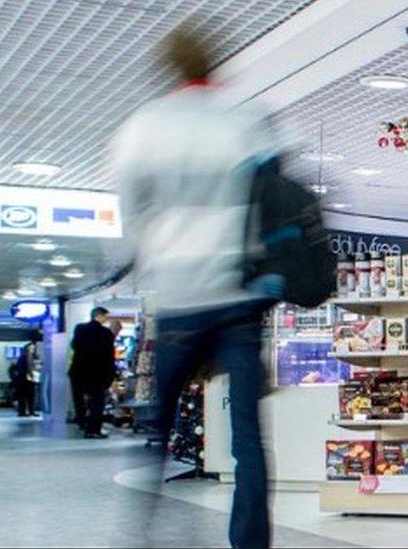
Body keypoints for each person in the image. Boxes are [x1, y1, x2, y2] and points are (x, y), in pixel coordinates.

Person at [109, 26, 281, 548]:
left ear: (169, 67)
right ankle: (250, 542)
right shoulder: (247, 120)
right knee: (248, 440)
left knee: (158, 431)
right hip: (239, 296)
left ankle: (139, 532)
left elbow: (132, 212)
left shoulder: (143, 128)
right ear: (216, 61)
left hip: (181, 296)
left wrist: (153, 254)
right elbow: (272, 200)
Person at [70, 307, 115, 439]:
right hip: (97, 373)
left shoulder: (80, 329)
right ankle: (93, 430)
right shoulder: (106, 333)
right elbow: (108, 356)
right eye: (105, 316)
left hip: (78, 371)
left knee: (79, 399)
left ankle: (81, 421)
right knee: (97, 402)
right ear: (99, 316)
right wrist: (110, 374)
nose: (106, 319)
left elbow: (74, 346)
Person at [15, 343, 41, 417]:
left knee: (30, 396)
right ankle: (24, 411)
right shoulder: (23, 357)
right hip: (24, 378)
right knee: (25, 396)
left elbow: (37, 368)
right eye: (31, 348)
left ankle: (29, 411)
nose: (32, 349)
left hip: (29, 378)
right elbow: (22, 368)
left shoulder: (33, 357)